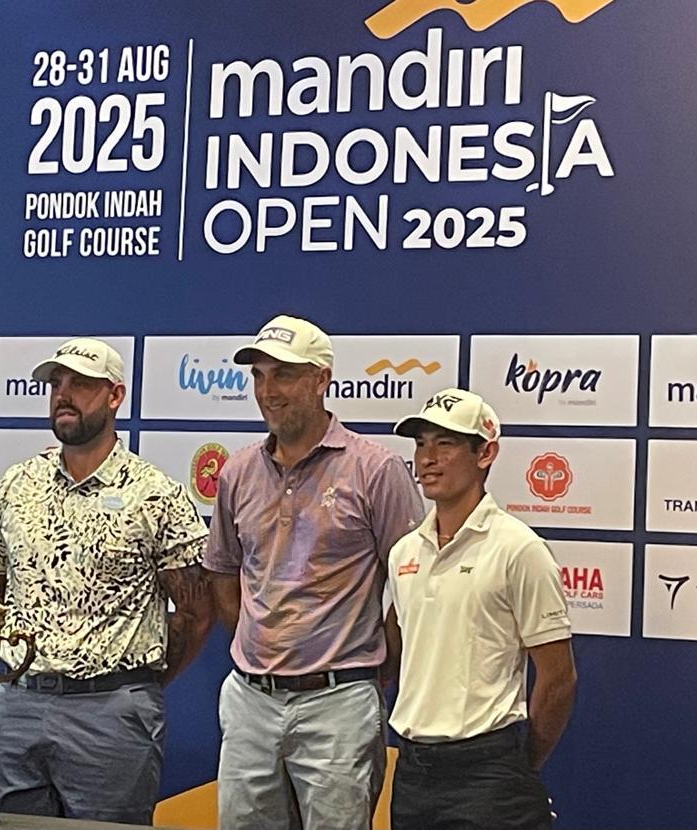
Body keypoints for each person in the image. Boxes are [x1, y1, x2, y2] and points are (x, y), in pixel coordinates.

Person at [0, 337, 212, 825]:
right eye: (56, 384)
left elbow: (195, 611)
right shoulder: (17, 485)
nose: (64, 394)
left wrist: (137, 687)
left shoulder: (154, 494)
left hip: (112, 713)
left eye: (81, 384)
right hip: (19, 705)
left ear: (115, 396)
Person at [204, 315, 424, 830]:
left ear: (321, 379)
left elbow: (416, 584)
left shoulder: (375, 469)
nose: (267, 391)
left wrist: (371, 665)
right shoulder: (237, 471)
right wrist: (255, 644)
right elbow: (223, 571)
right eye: (258, 376)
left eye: (282, 375)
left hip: (338, 704)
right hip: (250, 700)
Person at [386, 388, 577, 830]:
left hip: (489, 770)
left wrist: (515, 767)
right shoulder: (402, 553)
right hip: (412, 770)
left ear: (486, 453)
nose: (428, 458)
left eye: (446, 443)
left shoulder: (519, 549)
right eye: (420, 443)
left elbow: (558, 677)